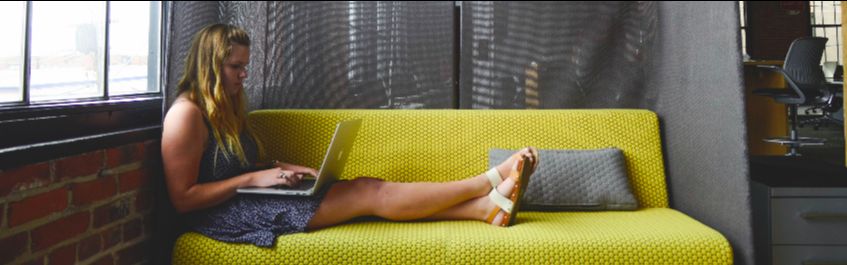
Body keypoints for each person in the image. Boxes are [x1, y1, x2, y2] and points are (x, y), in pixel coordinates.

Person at [161, 24, 539, 247]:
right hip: (224, 217)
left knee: (367, 189)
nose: (244, 75)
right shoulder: (185, 116)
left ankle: (483, 209)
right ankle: (485, 181)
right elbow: (183, 199)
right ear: (209, 64)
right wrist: (252, 178)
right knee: (368, 192)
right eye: (235, 67)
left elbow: (234, 167)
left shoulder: (226, 105)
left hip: (248, 199)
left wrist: (277, 170)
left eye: (245, 66)